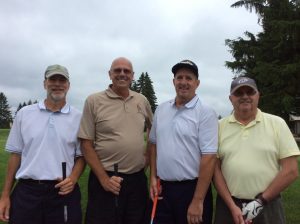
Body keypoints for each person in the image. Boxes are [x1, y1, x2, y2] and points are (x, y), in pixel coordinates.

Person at [0, 64, 85, 224]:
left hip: (63, 191)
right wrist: (5, 195)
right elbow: (15, 155)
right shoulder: (24, 114)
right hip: (27, 192)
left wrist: (73, 178)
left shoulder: (79, 117)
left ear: (68, 85)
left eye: (62, 80)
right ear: (45, 83)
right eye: (53, 79)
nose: (57, 84)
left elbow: (82, 155)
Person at [213, 76, 300, 224]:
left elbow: (291, 170)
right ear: (230, 98)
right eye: (239, 93)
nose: (245, 96)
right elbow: (215, 170)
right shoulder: (218, 127)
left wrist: (260, 202)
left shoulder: (277, 124)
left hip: (268, 204)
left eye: (250, 92)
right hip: (228, 206)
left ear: (258, 95)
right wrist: (232, 205)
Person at [78, 57, 153, 224]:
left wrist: (147, 157)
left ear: (133, 76)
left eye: (126, 71)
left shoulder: (142, 100)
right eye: (117, 70)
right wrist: (104, 179)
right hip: (106, 179)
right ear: (110, 74)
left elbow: (153, 131)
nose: (122, 74)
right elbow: (86, 143)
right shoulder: (94, 101)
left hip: (137, 180)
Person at [149, 59, 218, 224]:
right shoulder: (161, 109)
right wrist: (152, 177)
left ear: (197, 83)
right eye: (180, 77)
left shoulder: (206, 112)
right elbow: (153, 145)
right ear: (173, 81)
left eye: (189, 78)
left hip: (193, 190)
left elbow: (209, 158)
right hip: (163, 188)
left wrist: (198, 200)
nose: (184, 82)